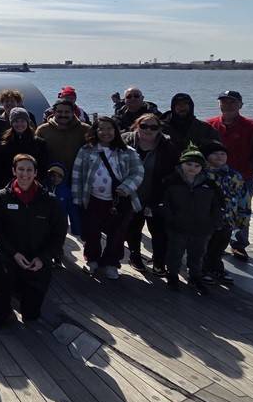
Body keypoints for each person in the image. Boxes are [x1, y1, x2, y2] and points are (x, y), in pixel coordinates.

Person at [0, 154, 67, 327]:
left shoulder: (49, 201)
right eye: (21, 169)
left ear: (36, 173)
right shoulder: (2, 197)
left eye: (29, 170)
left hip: (37, 259)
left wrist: (43, 258)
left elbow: (59, 234)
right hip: (10, 255)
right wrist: (14, 254)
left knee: (31, 315)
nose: (24, 174)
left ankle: (22, 293)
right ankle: (4, 301)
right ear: (14, 171)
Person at [71, 116, 144, 280]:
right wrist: (77, 198)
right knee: (92, 232)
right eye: (101, 129)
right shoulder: (86, 150)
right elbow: (77, 174)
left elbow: (138, 172)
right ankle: (92, 259)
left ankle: (111, 263)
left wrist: (127, 187)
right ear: (95, 131)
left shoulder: (127, 151)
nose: (106, 132)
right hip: (93, 199)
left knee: (117, 234)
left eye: (110, 128)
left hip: (120, 201)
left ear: (116, 131)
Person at [161, 144, 222, 294]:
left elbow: (217, 205)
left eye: (197, 165)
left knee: (197, 254)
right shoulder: (171, 181)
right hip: (177, 226)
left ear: (202, 167)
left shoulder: (209, 184)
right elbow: (164, 203)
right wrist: (170, 219)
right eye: (188, 164)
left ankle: (195, 276)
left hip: (202, 227)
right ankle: (172, 275)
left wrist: (213, 223)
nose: (192, 168)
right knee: (175, 253)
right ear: (181, 164)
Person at [122, 114, 178, 274]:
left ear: (159, 129)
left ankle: (159, 262)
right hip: (132, 195)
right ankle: (135, 257)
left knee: (159, 231)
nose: (148, 130)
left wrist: (162, 195)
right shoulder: (125, 141)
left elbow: (174, 172)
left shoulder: (167, 146)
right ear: (136, 126)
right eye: (144, 126)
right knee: (133, 229)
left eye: (153, 127)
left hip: (157, 195)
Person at [206, 90, 253, 261]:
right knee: (213, 209)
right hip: (215, 178)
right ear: (219, 104)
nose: (228, 105)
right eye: (224, 102)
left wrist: (251, 167)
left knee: (242, 211)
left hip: (243, 177)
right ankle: (212, 241)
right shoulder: (209, 125)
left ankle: (239, 244)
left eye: (232, 102)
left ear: (241, 105)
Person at [35, 99, 90, 235]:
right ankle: (56, 241)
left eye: (67, 112)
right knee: (53, 216)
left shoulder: (85, 129)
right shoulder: (43, 130)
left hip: (77, 179)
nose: (63, 115)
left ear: (73, 112)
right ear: (53, 112)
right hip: (52, 180)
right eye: (59, 111)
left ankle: (84, 238)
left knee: (79, 216)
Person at [202, 141, 249, 286]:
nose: (219, 156)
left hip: (228, 218)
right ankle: (201, 269)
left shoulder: (234, 175)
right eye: (215, 153)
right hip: (205, 219)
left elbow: (243, 198)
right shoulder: (201, 174)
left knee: (219, 246)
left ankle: (216, 267)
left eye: (223, 154)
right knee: (203, 246)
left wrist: (243, 217)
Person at [0, 107, 48, 190]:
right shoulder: (5, 143)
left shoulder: (39, 143)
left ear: (27, 122)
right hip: (10, 187)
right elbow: (1, 167)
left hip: (33, 186)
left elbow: (43, 167)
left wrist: (36, 183)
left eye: (22, 121)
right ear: (11, 123)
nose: (19, 124)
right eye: (16, 121)